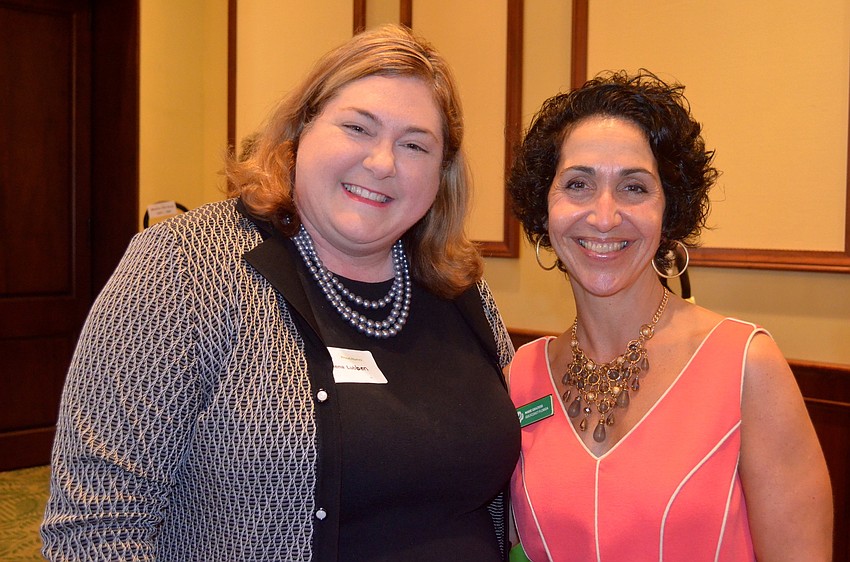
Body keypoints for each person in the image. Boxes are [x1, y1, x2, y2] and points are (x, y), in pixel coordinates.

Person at [41, 24, 520, 561]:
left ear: (441, 175)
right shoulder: (185, 266)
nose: (383, 162)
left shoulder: (458, 286)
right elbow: (94, 523)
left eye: (414, 144)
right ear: (300, 131)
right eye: (358, 128)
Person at [506, 70, 832, 561]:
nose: (604, 216)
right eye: (578, 184)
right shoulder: (520, 377)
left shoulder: (746, 366)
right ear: (543, 210)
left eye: (634, 188)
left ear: (668, 211)